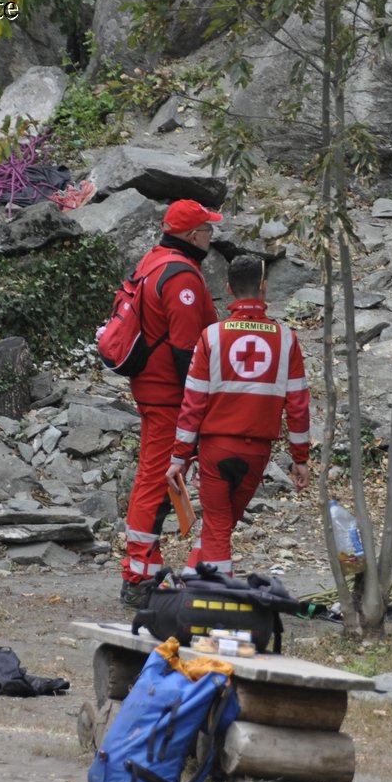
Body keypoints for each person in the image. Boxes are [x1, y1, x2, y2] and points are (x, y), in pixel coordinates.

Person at [165, 255, 310, 574]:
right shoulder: (286, 339)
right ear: (265, 288)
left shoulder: (212, 337)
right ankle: (194, 572)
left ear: (229, 289)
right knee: (223, 523)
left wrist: (180, 456)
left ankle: (216, 600)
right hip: (257, 452)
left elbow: (193, 402)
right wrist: (300, 458)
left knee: (218, 524)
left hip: (216, 449)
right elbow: (298, 404)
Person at [120, 200, 223, 607]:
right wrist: (199, 406)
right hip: (168, 396)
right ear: (192, 235)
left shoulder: (154, 259)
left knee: (157, 476)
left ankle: (143, 566)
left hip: (155, 390)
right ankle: (138, 575)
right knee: (156, 477)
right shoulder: (180, 276)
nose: (211, 237)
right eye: (208, 230)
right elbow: (186, 351)